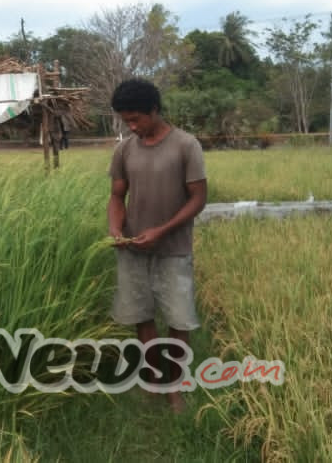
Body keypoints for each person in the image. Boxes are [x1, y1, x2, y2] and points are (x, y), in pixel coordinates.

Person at [106, 78, 207, 413]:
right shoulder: (125, 150)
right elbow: (117, 196)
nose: (132, 127)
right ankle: (152, 381)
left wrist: (162, 230)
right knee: (142, 316)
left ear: (154, 110)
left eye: (136, 119)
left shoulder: (185, 146)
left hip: (174, 249)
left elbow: (198, 199)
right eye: (126, 121)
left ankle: (176, 390)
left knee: (178, 320)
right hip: (134, 249)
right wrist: (116, 229)